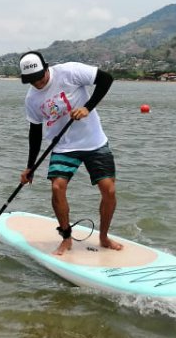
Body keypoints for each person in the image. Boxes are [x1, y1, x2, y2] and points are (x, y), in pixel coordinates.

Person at [17, 51, 123, 256]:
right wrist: (30, 166)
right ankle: (66, 237)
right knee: (57, 188)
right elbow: (35, 132)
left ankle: (103, 237)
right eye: (31, 81)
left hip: (94, 142)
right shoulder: (31, 99)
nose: (37, 83)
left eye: (39, 77)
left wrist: (87, 108)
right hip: (64, 146)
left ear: (46, 68)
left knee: (108, 190)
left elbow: (106, 79)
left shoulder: (70, 72)